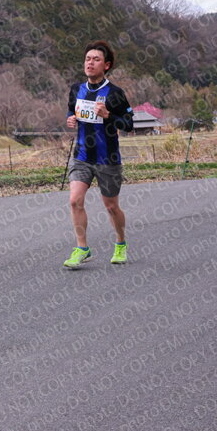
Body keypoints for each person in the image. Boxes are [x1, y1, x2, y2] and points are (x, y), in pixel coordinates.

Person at [63, 41, 134, 268]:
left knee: (111, 206)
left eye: (96, 59)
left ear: (106, 65)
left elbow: (129, 124)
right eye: (87, 59)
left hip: (107, 159)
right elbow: (71, 109)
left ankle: (120, 243)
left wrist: (109, 116)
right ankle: (82, 248)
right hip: (82, 156)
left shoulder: (115, 93)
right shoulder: (76, 89)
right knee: (75, 200)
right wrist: (70, 119)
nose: (90, 63)